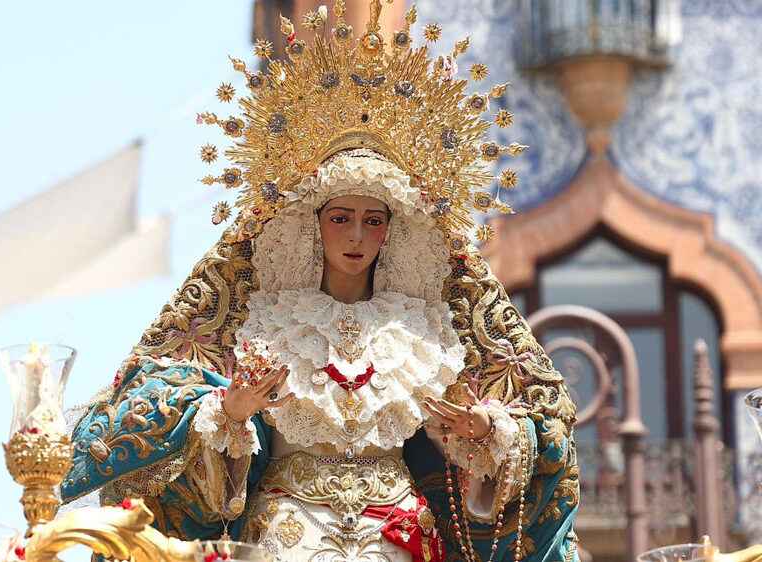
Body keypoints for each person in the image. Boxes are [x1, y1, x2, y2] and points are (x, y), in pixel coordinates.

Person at [61, 2, 580, 560]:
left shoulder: (425, 332)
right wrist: (228, 416)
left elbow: (533, 426)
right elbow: (181, 428)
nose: (356, 236)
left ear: (392, 232)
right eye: (341, 218)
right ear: (312, 226)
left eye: (373, 220)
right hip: (287, 533)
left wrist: (488, 432)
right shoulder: (270, 321)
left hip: (399, 537)